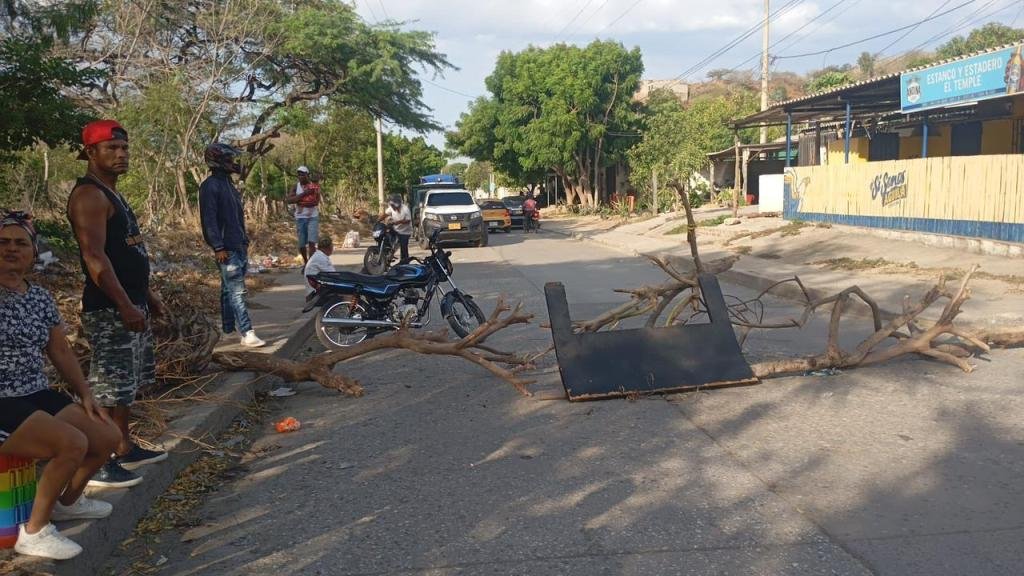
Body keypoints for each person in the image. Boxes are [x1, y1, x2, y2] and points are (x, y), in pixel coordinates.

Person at [0, 212, 122, 560]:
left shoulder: (38, 297)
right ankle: (35, 532)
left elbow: (60, 349)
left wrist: (85, 393)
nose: (11, 249)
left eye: (20, 243)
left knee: (106, 437)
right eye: (3, 242)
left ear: (32, 252)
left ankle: (65, 504)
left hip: (33, 392)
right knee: (72, 443)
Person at [67, 120, 168, 489]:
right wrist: (125, 304)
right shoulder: (88, 196)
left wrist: (147, 296)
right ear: (90, 153)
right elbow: (94, 257)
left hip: (131, 303)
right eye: (111, 148)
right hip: (109, 309)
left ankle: (122, 446)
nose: (121, 154)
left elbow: (126, 250)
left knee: (127, 383)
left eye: (124, 148)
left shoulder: (113, 194)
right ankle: (101, 459)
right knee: (108, 386)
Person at [198, 143, 265, 349]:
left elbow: (236, 217)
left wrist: (244, 240)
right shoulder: (210, 186)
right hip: (226, 248)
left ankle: (228, 330)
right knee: (237, 292)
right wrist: (218, 247)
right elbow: (209, 220)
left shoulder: (228, 184)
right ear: (218, 162)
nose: (233, 163)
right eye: (229, 160)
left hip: (238, 245)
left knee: (228, 291)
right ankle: (247, 332)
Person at [285, 166, 319, 265]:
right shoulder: (296, 186)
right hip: (301, 218)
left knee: (312, 241)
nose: (300, 177)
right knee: (302, 243)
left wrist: (300, 201)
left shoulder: (313, 186)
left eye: (303, 175)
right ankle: (306, 262)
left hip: (313, 216)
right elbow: (290, 200)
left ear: (307, 175)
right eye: (299, 175)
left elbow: (316, 201)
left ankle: (310, 264)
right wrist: (305, 194)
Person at [380, 194, 412, 264]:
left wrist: (398, 222)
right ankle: (387, 255)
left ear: (398, 204)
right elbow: (385, 214)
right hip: (396, 229)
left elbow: (408, 220)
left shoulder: (405, 209)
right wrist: (378, 220)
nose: (393, 207)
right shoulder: (391, 208)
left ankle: (405, 263)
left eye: (394, 205)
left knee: (403, 247)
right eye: (392, 205)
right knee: (385, 237)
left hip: (405, 232)